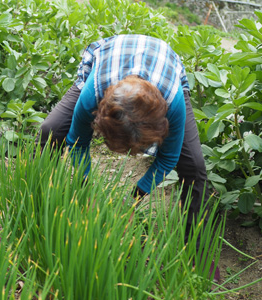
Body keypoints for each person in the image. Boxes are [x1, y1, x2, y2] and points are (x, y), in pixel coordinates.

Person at [37, 34, 220, 282]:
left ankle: (199, 252)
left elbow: (168, 159)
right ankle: (43, 208)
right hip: (110, 61)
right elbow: (78, 145)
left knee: (195, 167)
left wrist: (133, 200)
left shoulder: (172, 103)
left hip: (164, 69)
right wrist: (86, 189)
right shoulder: (93, 94)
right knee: (50, 130)